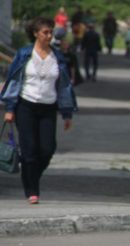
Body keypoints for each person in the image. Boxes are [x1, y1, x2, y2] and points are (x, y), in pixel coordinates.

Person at [0, 17, 77, 204]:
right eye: (45, 32)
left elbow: (65, 86)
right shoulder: (24, 54)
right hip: (25, 105)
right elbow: (13, 81)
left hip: (48, 107)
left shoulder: (57, 57)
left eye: (51, 32)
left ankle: (30, 175)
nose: (49, 36)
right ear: (35, 33)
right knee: (29, 150)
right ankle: (32, 190)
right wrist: (10, 109)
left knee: (47, 149)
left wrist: (67, 113)